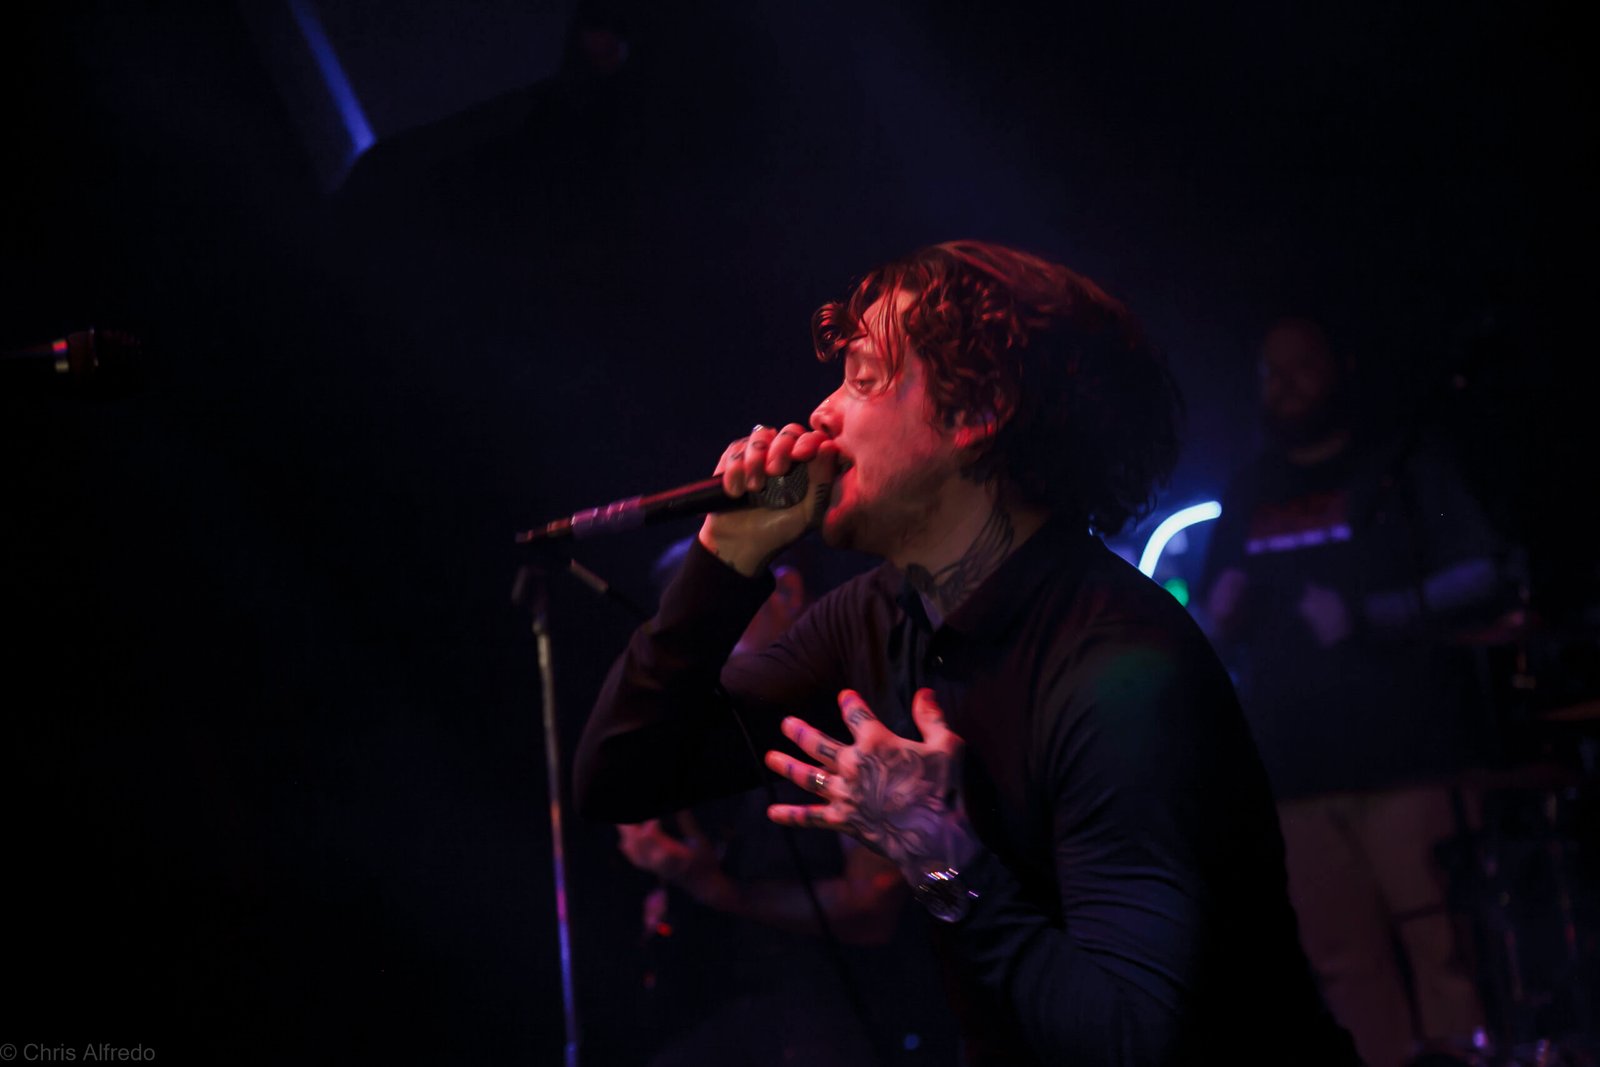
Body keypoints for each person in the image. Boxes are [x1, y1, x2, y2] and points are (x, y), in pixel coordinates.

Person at [574, 240, 1359, 1064]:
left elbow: (1135, 1040)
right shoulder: (873, 616)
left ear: (977, 411)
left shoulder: (1121, 666)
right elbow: (620, 774)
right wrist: (723, 562)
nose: (821, 413)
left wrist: (943, 858)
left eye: (864, 379)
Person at [1198, 316, 1514, 1067]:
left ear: (1340, 367)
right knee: (1343, 969)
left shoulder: (1398, 465)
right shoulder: (1251, 488)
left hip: (1406, 761)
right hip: (1294, 775)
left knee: (1444, 950)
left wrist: (1374, 615)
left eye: (1301, 367)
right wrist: (1220, 614)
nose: (1284, 387)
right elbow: (1210, 616)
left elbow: (1484, 570)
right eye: (1271, 374)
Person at [615, 537, 954, 1066]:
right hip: (762, 1011)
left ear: (788, 592)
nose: (703, 650)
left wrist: (717, 890)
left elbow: (871, 907)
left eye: (711, 620)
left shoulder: (854, 697)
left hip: (849, 1021)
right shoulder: (746, 722)